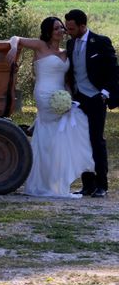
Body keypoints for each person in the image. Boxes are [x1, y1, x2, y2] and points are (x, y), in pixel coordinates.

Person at [7, 17, 94, 198]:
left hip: (61, 95)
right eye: (56, 28)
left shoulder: (66, 51)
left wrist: (68, 95)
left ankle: (56, 182)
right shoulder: (40, 46)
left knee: (65, 134)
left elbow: (66, 79)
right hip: (45, 94)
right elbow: (16, 38)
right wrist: (14, 47)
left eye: (62, 28)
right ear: (48, 31)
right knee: (50, 136)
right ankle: (45, 182)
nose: (60, 31)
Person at [64, 9, 119, 198]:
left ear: (82, 26)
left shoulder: (101, 42)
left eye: (71, 28)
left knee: (96, 140)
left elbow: (114, 71)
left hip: (96, 98)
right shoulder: (70, 44)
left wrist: (104, 94)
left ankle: (102, 185)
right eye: (67, 28)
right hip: (79, 99)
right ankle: (87, 185)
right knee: (81, 141)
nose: (68, 31)